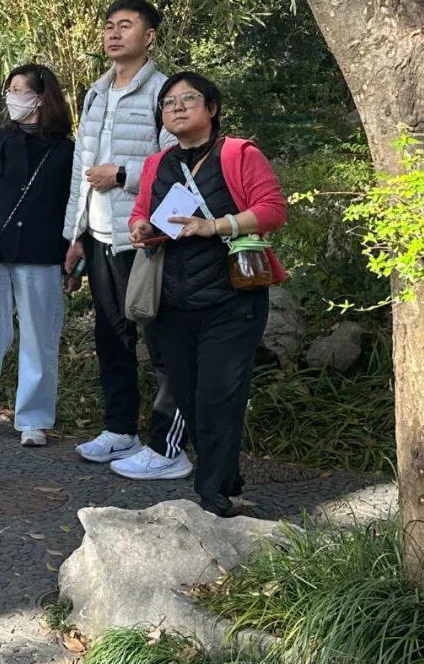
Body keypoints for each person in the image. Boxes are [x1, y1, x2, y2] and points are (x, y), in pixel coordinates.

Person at [128, 71, 286, 516]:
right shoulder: (156, 164)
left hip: (231, 298)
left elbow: (273, 211)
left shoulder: (238, 154)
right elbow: (141, 212)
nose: (177, 107)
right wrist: (138, 228)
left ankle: (213, 496)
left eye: (188, 99)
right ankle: (226, 478)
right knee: (187, 396)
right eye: (168, 102)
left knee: (219, 397)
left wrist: (215, 225)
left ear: (212, 108)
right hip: (171, 300)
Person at [62, 0, 188, 479]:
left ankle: (168, 446)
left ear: (149, 36)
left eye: (126, 26)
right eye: (109, 26)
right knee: (111, 336)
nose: (114, 34)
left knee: (160, 340)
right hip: (98, 237)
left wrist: (121, 175)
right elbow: (80, 170)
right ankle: (120, 429)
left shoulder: (164, 93)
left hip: (143, 238)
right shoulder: (95, 94)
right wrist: (74, 235)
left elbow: (177, 164)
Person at [0, 64, 74, 448]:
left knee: (40, 337)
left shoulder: (65, 150)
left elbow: (73, 206)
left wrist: (74, 252)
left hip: (43, 253)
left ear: (41, 97)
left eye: (20, 89)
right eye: (10, 89)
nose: (12, 96)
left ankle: (34, 419)